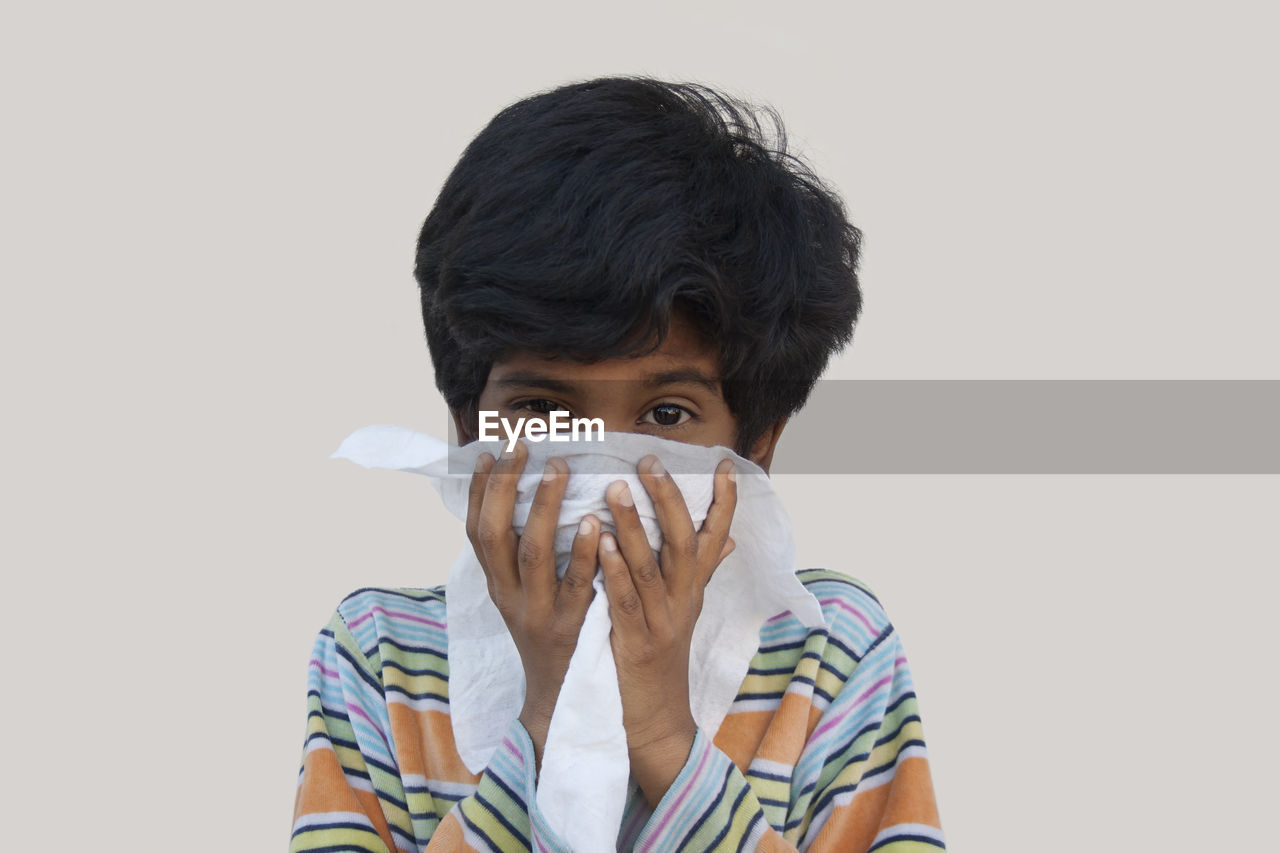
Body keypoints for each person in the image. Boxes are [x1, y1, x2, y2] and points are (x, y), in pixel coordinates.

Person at [291, 76, 945, 852]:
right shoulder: (379, 656)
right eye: (541, 411)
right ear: (468, 425)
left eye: (665, 415)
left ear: (757, 443)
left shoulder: (830, 653)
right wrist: (544, 719)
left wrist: (665, 737)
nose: (599, 463)